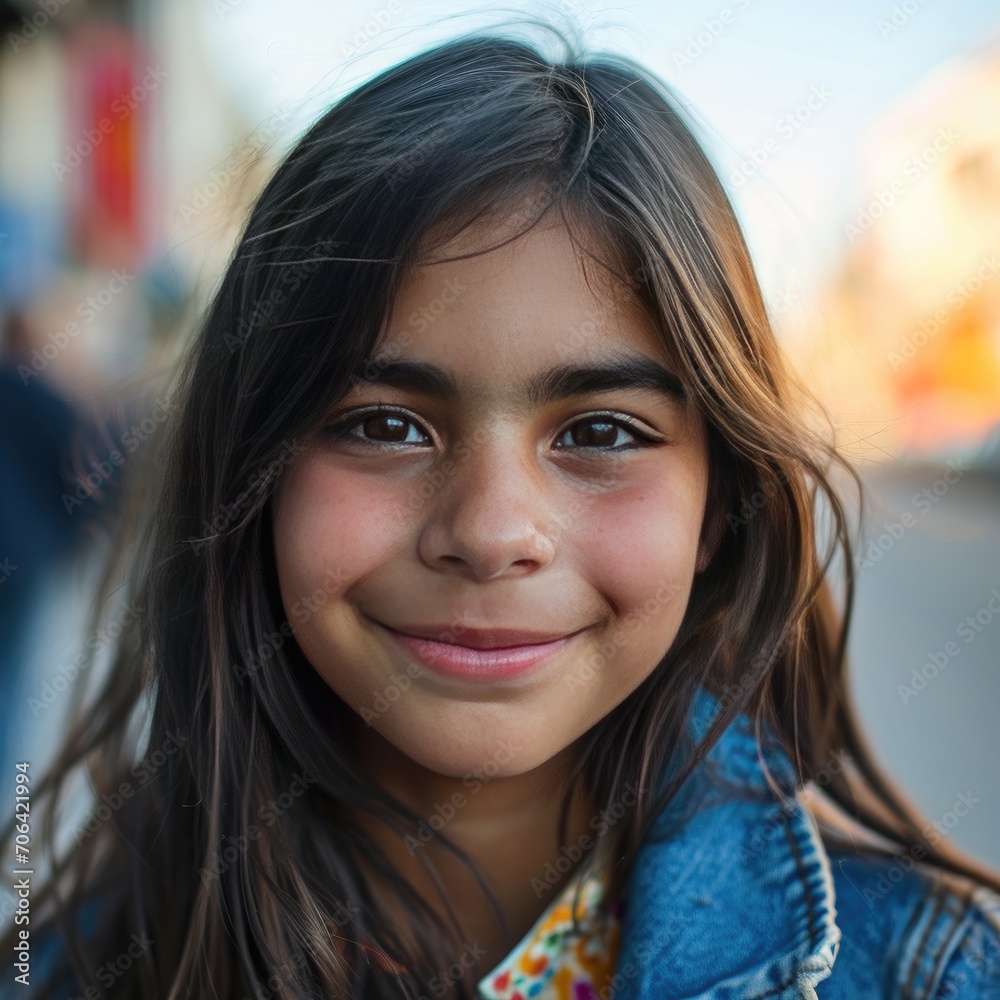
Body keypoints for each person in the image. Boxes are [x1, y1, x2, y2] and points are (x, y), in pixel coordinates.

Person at [2, 21, 999, 1000]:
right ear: (249, 475)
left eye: (600, 434)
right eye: (385, 425)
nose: (489, 532)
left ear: (719, 508)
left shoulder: (928, 973)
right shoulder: (68, 972)